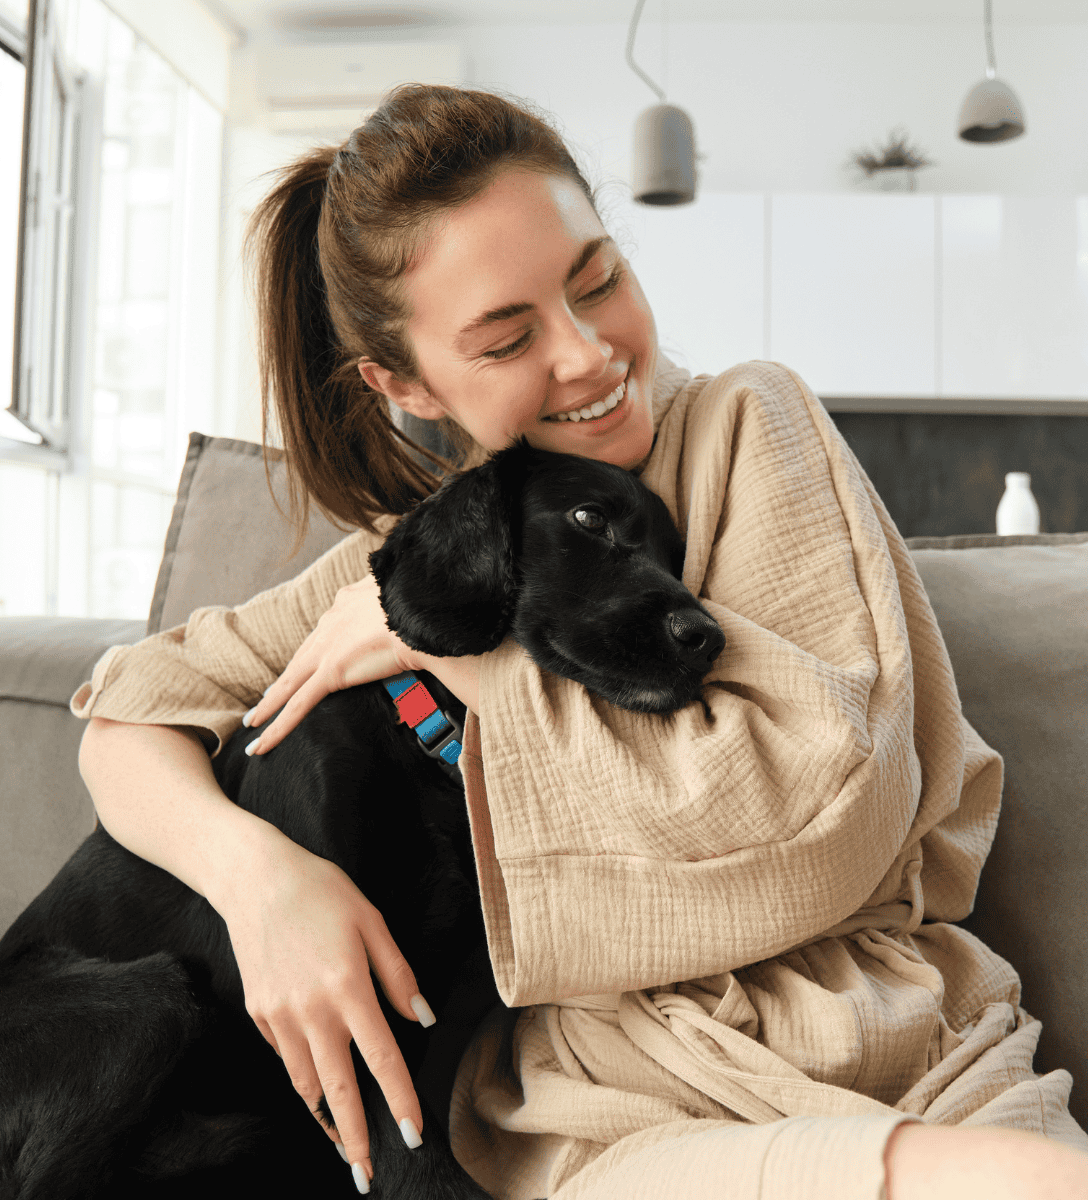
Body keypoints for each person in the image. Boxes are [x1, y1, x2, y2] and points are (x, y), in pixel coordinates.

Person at [74, 85, 1088, 1200]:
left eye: (598, 281)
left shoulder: (749, 424)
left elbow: (819, 817)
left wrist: (450, 649)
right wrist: (261, 885)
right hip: (609, 1117)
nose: (590, 351)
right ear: (405, 383)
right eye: (509, 339)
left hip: (889, 1052)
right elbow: (132, 704)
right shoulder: (433, 547)